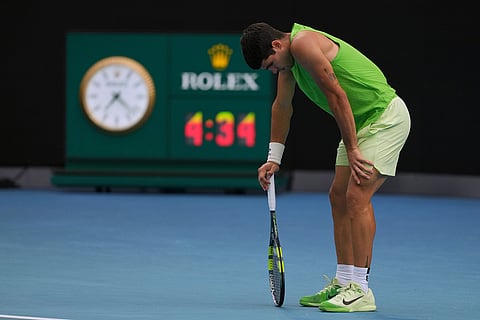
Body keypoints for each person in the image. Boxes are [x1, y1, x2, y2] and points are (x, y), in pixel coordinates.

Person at [240, 22, 411, 312]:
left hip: (385, 119)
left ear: (276, 45)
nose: (274, 71)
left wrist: (354, 149)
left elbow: (336, 95)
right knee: (337, 196)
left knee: (357, 197)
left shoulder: (304, 44)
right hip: (358, 126)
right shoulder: (288, 64)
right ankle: (343, 281)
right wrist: (274, 158)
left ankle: (361, 289)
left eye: (271, 65)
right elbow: (282, 107)